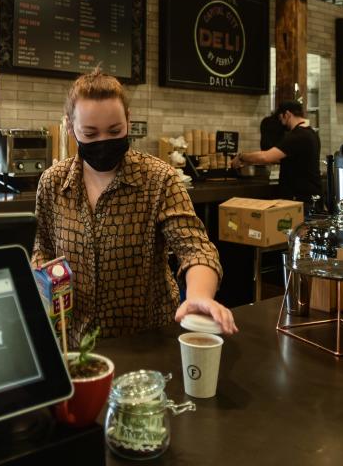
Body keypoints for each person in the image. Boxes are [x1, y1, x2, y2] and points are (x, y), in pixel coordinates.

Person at [33, 69, 238, 347]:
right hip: (75, 344)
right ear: (70, 128)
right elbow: (42, 245)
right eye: (90, 133)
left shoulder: (159, 179)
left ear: (128, 121)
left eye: (115, 130)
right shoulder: (53, 182)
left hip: (147, 341)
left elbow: (195, 248)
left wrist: (199, 295)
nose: (103, 141)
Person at [230, 101, 321, 206]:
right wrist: (250, 161)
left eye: (280, 118)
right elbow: (280, 158)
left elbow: (265, 157)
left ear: (287, 114)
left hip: (300, 199)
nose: (281, 123)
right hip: (311, 197)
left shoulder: (297, 136)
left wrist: (241, 156)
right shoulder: (311, 133)